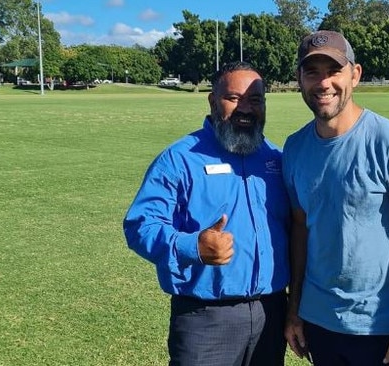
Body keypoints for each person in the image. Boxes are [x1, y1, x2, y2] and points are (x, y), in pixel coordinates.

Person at [282, 30, 389, 366]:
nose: (323, 83)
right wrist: (295, 310)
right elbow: (301, 229)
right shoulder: (295, 148)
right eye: (312, 72)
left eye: (334, 71)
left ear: (354, 75)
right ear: (299, 78)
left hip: (381, 327)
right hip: (319, 322)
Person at [123, 61, 289, 366]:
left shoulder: (276, 159)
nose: (246, 109)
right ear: (213, 101)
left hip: (272, 313)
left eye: (255, 100)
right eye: (234, 98)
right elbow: (140, 225)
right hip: (205, 320)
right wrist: (192, 246)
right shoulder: (180, 159)